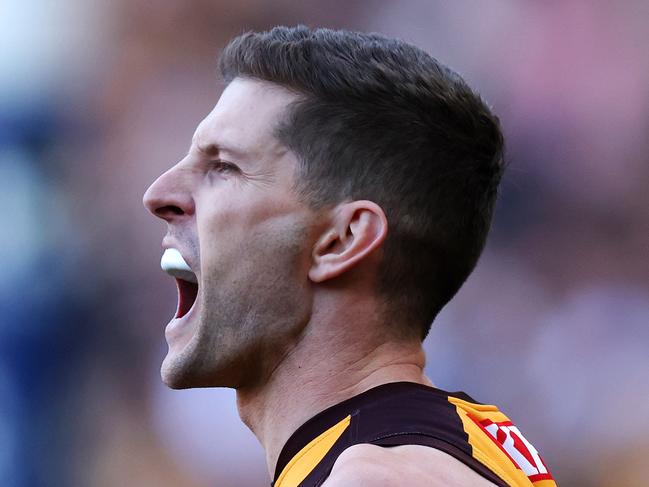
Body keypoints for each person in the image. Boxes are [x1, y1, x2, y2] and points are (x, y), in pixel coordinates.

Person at [143, 26, 556, 487]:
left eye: (223, 167)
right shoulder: (437, 448)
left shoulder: (375, 478)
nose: (159, 194)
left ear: (342, 241)